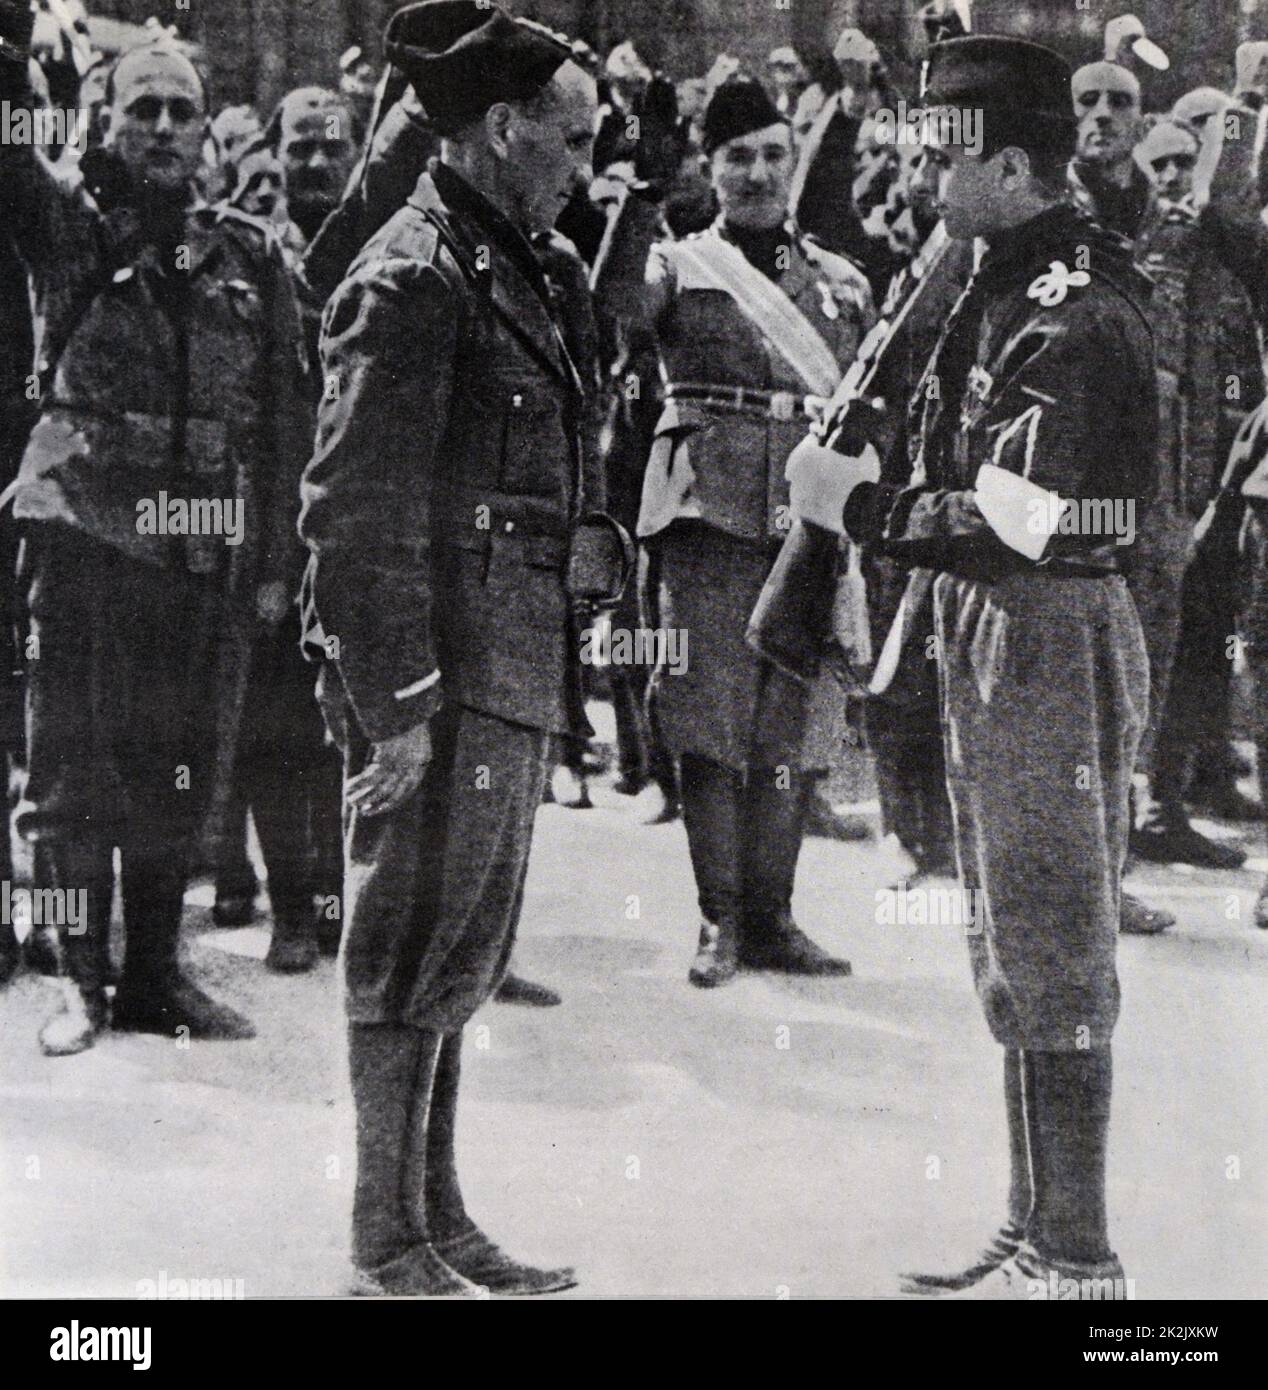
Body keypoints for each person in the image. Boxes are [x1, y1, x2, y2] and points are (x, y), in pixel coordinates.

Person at [789, 35, 1157, 1298]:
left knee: (1053, 937)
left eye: (939, 157)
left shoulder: (1068, 307)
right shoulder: (997, 279)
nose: (915, 176)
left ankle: (1076, 1252)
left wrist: (862, 507)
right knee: (1006, 934)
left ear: (1008, 164)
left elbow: (1026, 511)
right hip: (995, 620)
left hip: (1043, 625)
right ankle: (1029, 1219)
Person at [299, 0, 614, 1294]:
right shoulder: (412, 272)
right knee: (403, 940)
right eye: (573, 139)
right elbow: (350, 510)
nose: (584, 167)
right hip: (441, 673)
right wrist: (404, 704)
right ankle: (383, 1238)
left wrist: (591, 534)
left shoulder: (531, 263)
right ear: (502, 128)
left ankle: (439, 1211)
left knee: (464, 943)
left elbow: (570, 436)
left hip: (512, 662)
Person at [0, 8, 310, 1054]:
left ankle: (152, 975)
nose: (166, 128)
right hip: (86, 535)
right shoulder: (66, 227)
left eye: (184, 111)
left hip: (202, 548)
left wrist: (274, 565)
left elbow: (280, 423)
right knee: (74, 773)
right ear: (105, 119)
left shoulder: (251, 258)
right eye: (145, 110)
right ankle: (79, 983)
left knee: (181, 768)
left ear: (210, 133)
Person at [593, 77, 869, 988]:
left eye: (773, 155)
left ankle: (775, 917)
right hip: (705, 511)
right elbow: (614, 317)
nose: (757, 173)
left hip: (808, 516)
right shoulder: (677, 264)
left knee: (792, 724)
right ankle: (719, 920)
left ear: (794, 163)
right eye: (737, 158)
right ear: (710, 171)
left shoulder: (840, 283)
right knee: (708, 719)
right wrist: (638, 197)